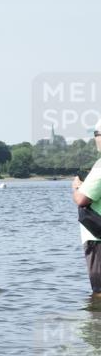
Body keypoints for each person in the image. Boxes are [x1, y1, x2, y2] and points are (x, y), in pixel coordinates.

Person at [72, 119, 101, 295]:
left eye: (96, 134)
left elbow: (82, 199)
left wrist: (76, 187)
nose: (95, 139)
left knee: (98, 294)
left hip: (97, 237)